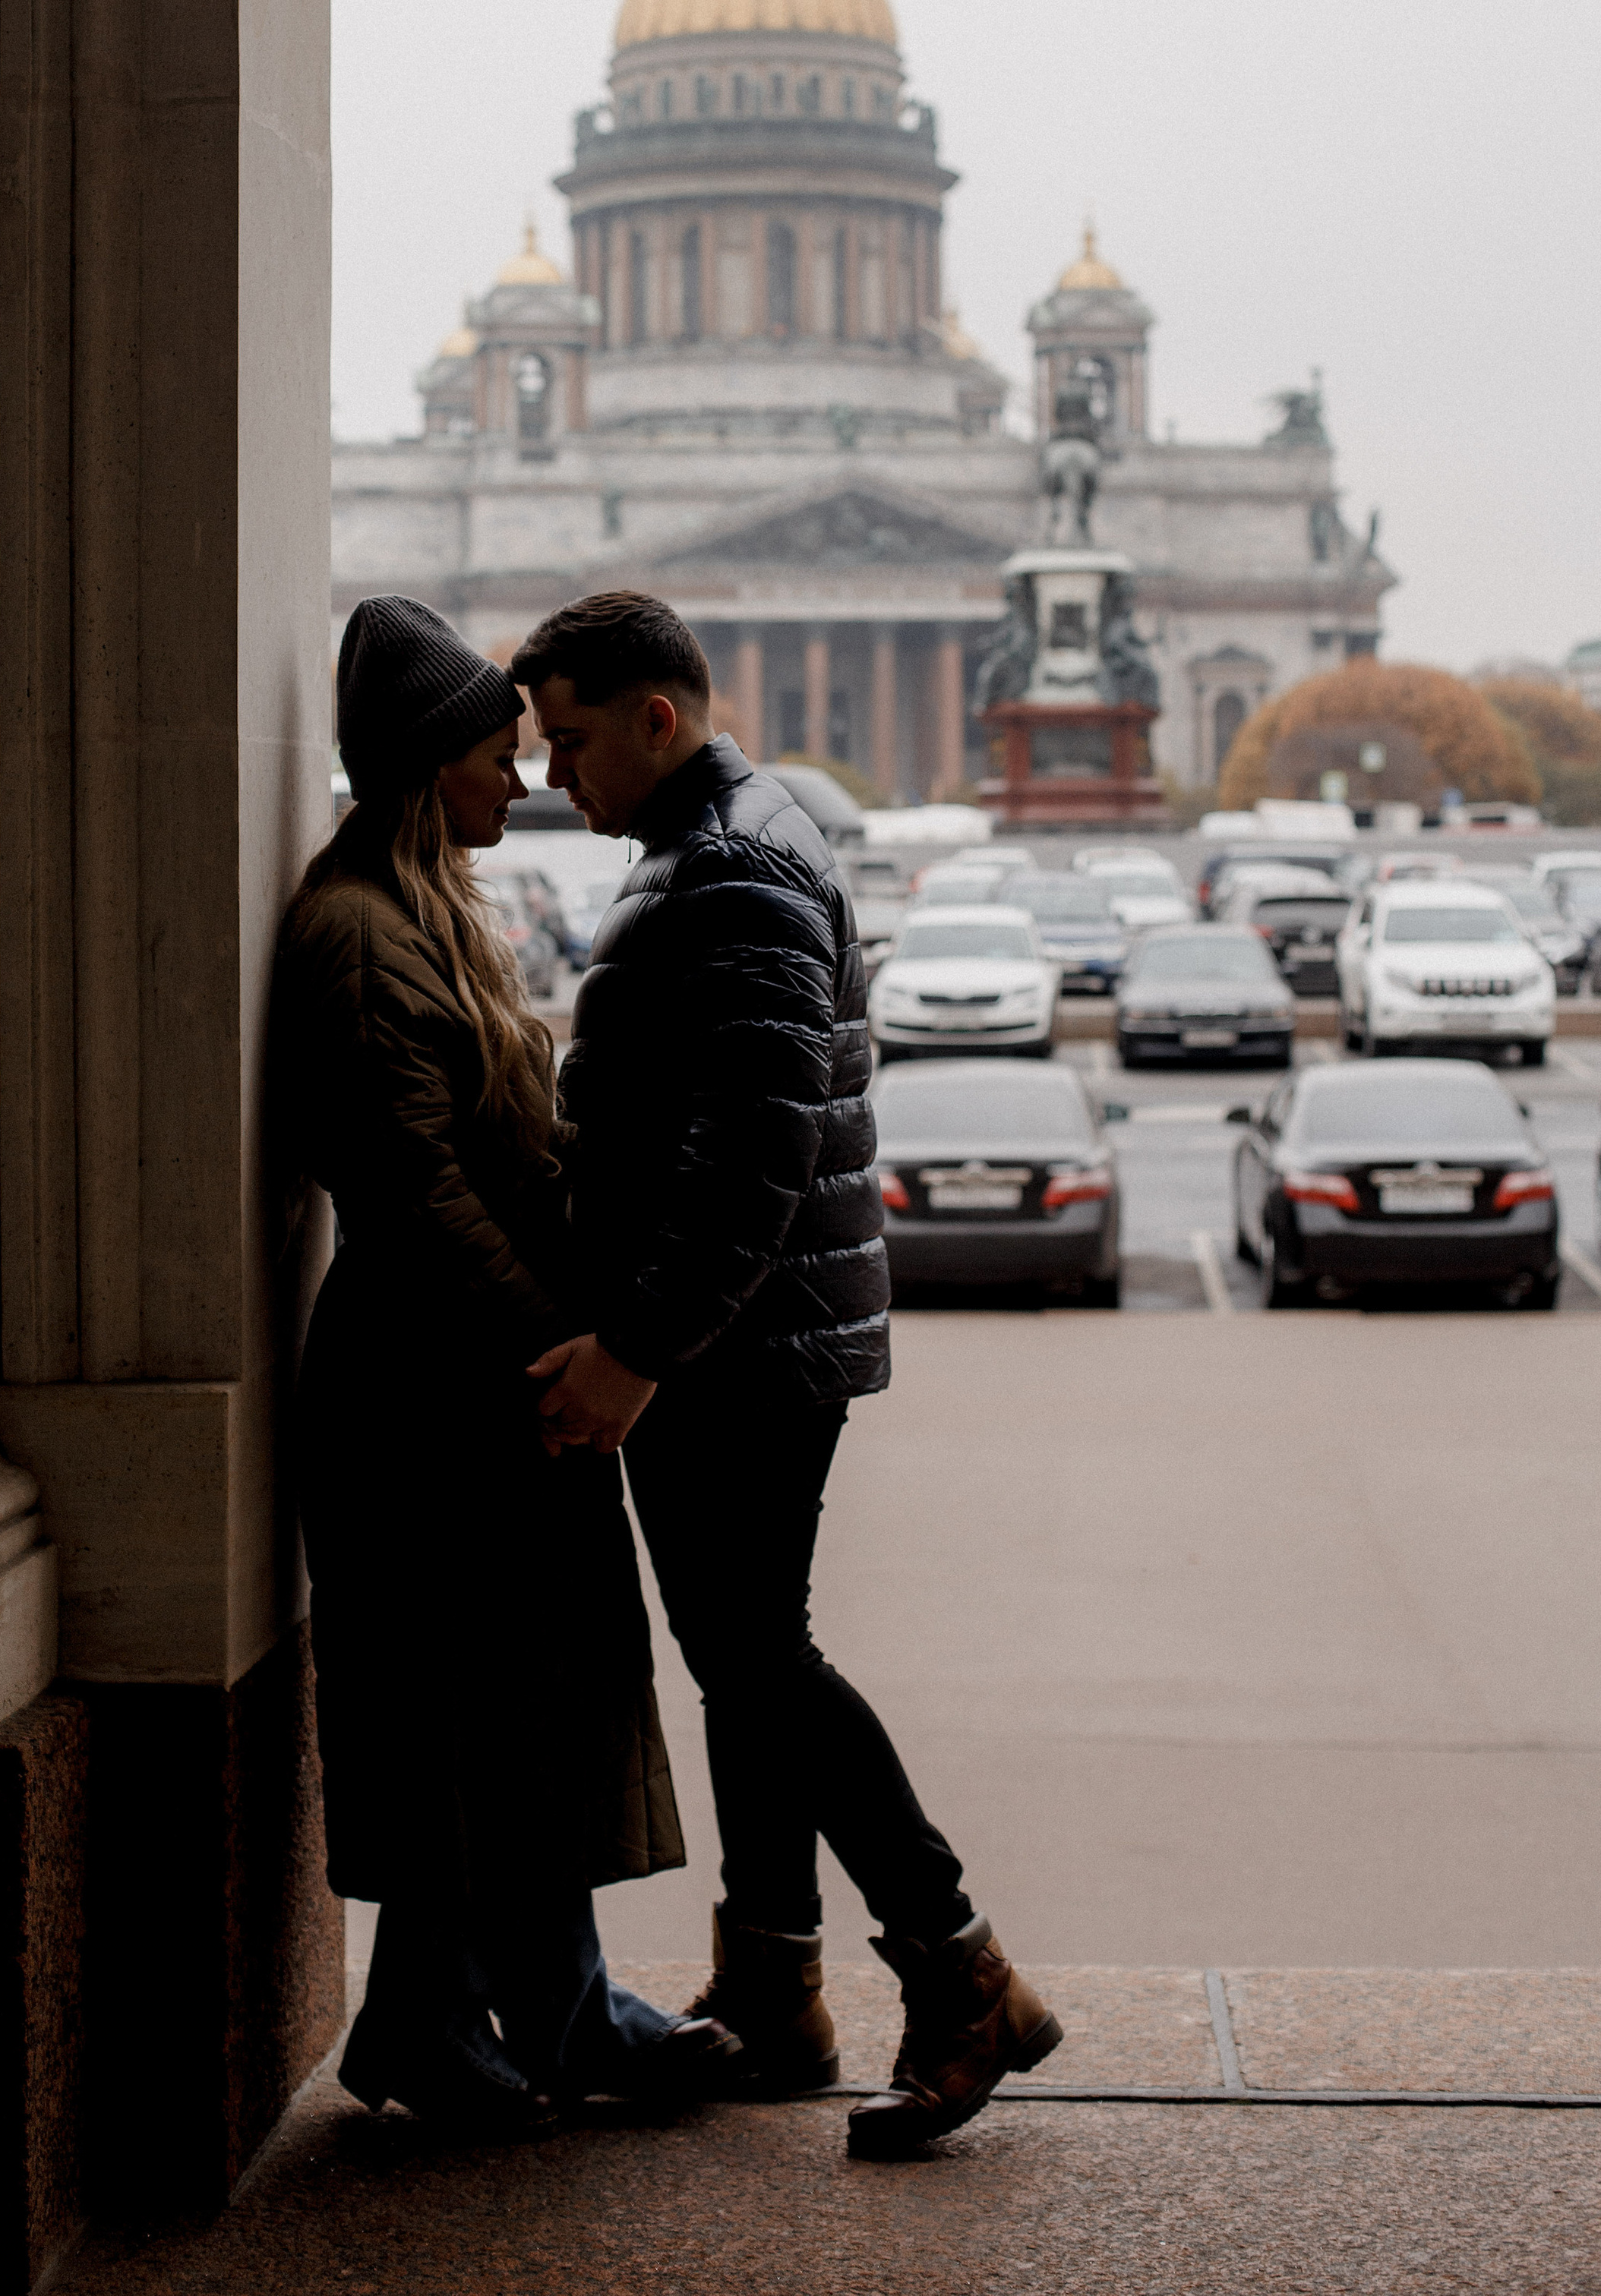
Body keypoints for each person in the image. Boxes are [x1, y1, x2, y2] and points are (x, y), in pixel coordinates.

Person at [510, 590, 1063, 2159]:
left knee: (759, 1663)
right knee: (745, 1658)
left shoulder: (734, 865)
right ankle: (772, 1988)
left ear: (655, 719)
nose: (556, 773)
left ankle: (959, 1974)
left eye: (569, 736)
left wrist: (634, 1351)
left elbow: (748, 1151)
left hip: (732, 1351)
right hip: (748, 1340)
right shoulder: (727, 838)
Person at [278, 594, 734, 2131]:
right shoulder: (355, 932)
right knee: (457, 1717)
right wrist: (565, 1342)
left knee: (519, 1713)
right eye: (494, 755)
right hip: (425, 1387)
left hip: (481, 1375)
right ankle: (441, 2022)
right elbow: (412, 1191)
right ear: (428, 769)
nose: (524, 782)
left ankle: (542, 2007)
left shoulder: (422, 911)